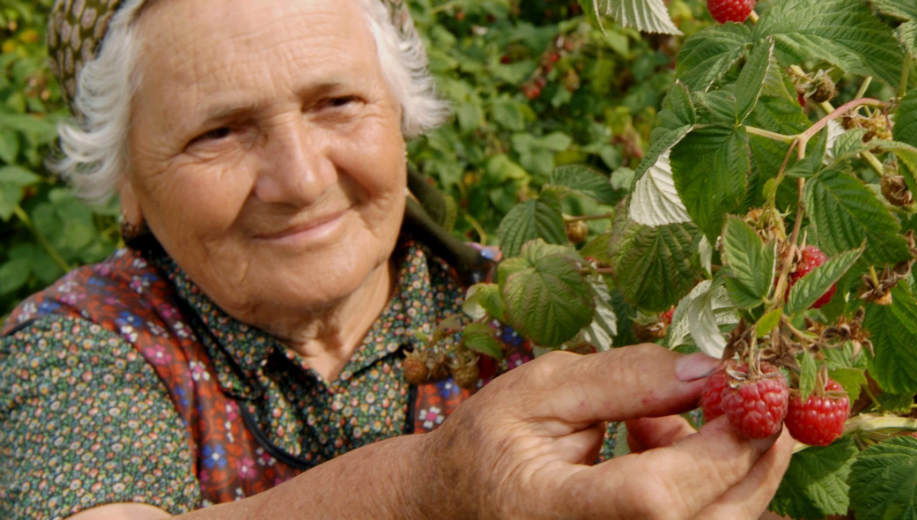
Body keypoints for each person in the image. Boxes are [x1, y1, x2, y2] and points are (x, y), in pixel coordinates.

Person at [0, 0, 794, 518]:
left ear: (401, 116)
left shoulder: (537, 308)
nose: (301, 179)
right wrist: (433, 489)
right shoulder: (78, 343)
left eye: (337, 103)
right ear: (126, 185)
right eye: (219, 133)